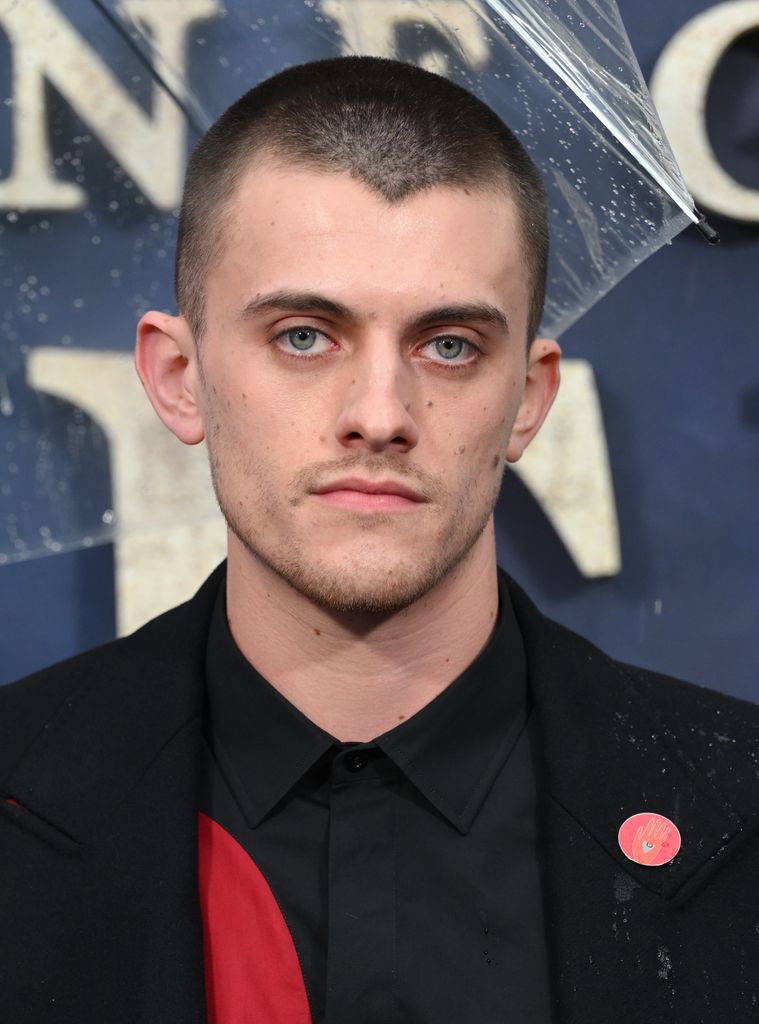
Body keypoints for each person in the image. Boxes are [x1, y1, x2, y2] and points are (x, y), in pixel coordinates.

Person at [1, 56, 757, 1024]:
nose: (379, 415)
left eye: (449, 344)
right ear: (178, 375)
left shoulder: (742, 802)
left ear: (528, 401)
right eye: (305, 335)